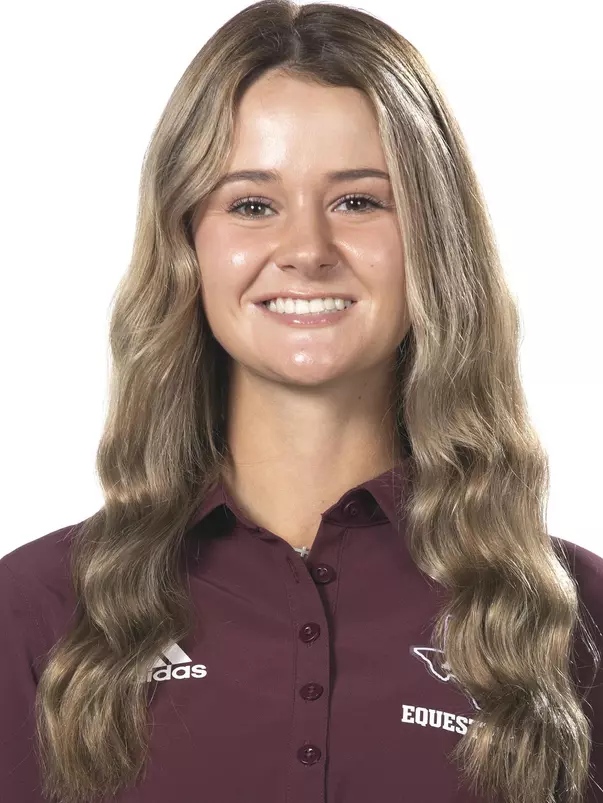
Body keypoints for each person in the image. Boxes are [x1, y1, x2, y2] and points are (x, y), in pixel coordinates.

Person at [1, 1, 601, 802]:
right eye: (252, 204)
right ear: (188, 243)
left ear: (433, 240)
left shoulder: (575, 617)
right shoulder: (38, 609)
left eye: (359, 201)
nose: (308, 251)